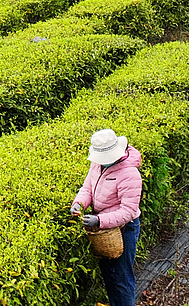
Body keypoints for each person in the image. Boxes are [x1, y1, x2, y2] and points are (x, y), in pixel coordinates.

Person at [70, 128, 142, 306]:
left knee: (122, 277)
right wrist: (79, 203)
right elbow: (87, 188)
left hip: (124, 229)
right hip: (105, 231)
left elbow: (129, 211)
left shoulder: (129, 174)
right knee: (109, 274)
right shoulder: (97, 164)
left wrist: (100, 221)